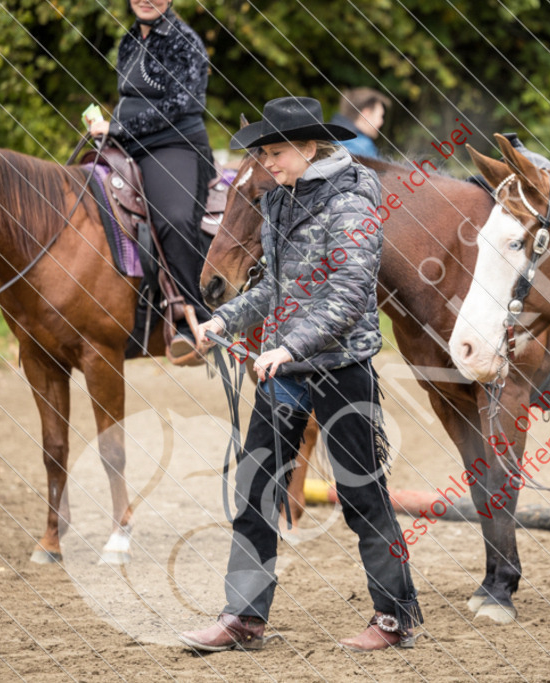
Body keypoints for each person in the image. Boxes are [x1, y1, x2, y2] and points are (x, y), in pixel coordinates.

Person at [179, 96, 422, 652]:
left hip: (341, 368)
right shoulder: (278, 200)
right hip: (283, 367)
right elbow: (274, 287)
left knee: (363, 494)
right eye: (263, 154)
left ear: (310, 148)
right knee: (256, 488)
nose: (267, 164)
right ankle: (243, 617)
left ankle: (395, 617)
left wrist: (286, 347)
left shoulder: (354, 199)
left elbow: (351, 292)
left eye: (276, 152)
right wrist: (224, 319)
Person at [89, 0, 215, 364]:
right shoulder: (129, 39)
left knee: (173, 219)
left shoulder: (184, 40)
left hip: (174, 144)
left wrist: (118, 127)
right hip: (125, 144)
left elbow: (179, 104)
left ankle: (194, 322)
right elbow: (132, 98)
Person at [329, 87, 390, 158]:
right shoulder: (363, 146)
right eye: (380, 116)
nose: (381, 122)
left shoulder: (324, 138)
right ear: (366, 115)